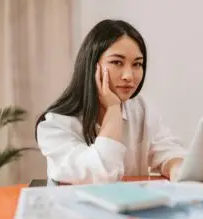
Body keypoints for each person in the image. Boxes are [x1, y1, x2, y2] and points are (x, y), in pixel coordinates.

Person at [35, 19, 186, 186]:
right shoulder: (55, 125)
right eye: (117, 62)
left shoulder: (141, 109)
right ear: (92, 66)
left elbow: (168, 151)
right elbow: (102, 175)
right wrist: (113, 109)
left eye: (137, 64)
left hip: (131, 210)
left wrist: (176, 166)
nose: (129, 76)